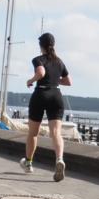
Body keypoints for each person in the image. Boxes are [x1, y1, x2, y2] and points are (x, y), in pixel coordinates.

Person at [20, 32, 72, 181]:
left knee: (33, 133)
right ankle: (59, 159)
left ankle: (28, 163)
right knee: (56, 133)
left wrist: (31, 80)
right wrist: (54, 79)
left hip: (41, 94)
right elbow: (68, 81)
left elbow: (41, 72)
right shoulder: (59, 62)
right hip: (56, 95)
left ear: (41, 46)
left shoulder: (38, 59)